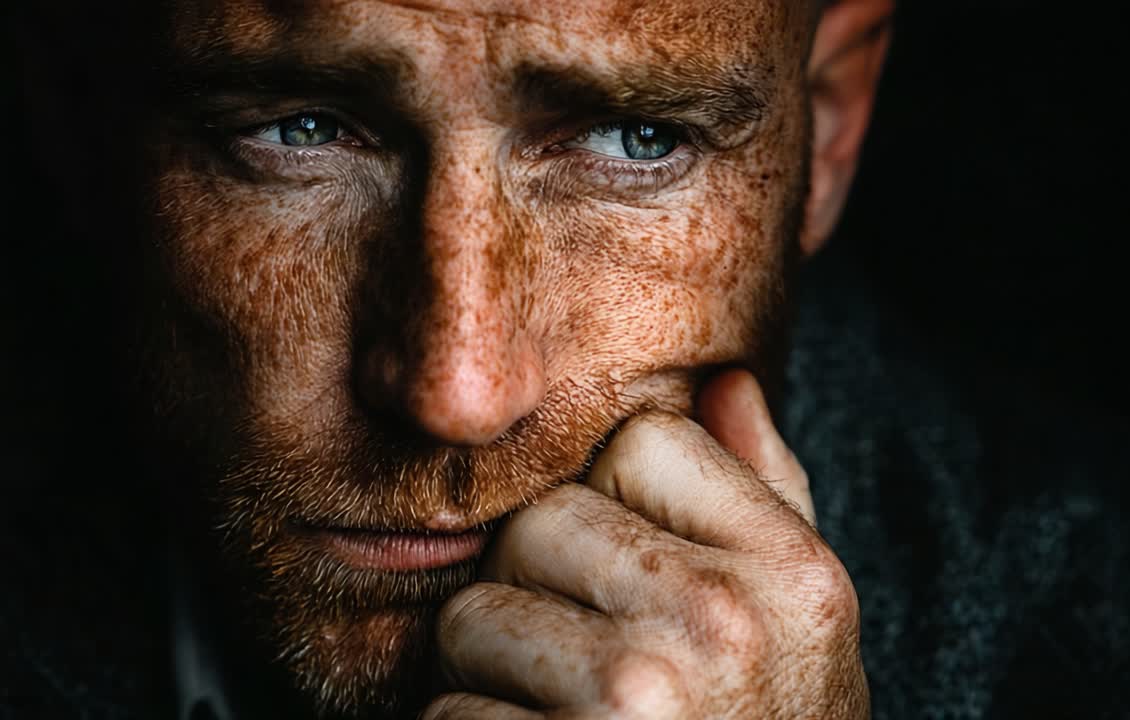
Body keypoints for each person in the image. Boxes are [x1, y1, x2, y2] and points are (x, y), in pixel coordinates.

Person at [8, 1, 893, 718]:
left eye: (636, 138)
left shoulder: (1032, 638)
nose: (457, 395)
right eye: (301, 129)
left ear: (823, 126)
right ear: (78, 116)